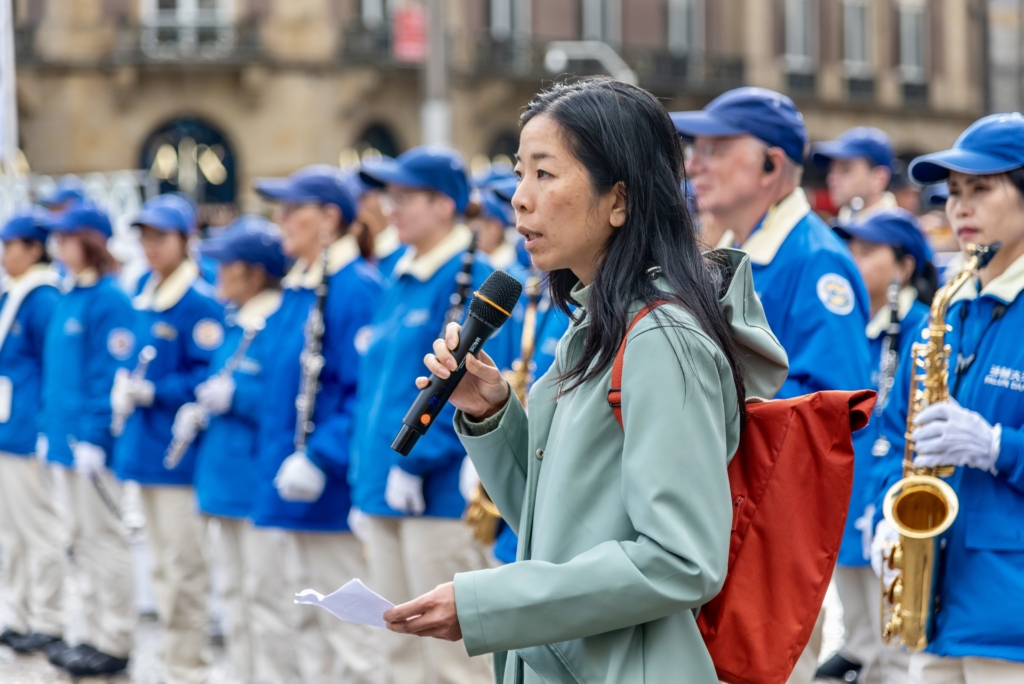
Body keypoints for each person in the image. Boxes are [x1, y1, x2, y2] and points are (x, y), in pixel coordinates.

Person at [381, 77, 788, 684]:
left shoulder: (660, 339)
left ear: (619, 200)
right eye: (519, 172)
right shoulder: (597, 324)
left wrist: (484, 603)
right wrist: (492, 416)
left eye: (545, 174)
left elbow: (681, 559)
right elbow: (557, 524)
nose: (519, 198)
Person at [671, 86, 871, 683]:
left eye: (715, 148)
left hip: (765, 523)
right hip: (723, 507)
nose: (693, 163)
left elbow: (834, 408)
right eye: (695, 148)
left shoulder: (814, 259)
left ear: (771, 165)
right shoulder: (731, 248)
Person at [870, 112, 1024, 684]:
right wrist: (892, 504)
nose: (959, 207)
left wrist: (996, 445)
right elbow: (894, 428)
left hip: (1011, 621)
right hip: (936, 608)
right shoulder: (948, 308)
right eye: (954, 192)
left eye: (981, 189)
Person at [350, 146, 501, 684]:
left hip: (434, 495)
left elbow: (471, 390)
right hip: (382, 486)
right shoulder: (400, 273)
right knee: (396, 645)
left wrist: (416, 463)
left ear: (443, 204)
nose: (390, 207)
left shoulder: (473, 278)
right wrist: (362, 476)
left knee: (454, 660)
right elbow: (375, 389)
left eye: (404, 196)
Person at [250, 165, 383, 684]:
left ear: (330, 218)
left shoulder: (355, 289)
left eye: (292, 209)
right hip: (291, 487)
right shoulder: (300, 287)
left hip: (327, 492)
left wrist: (320, 455)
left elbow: (363, 396)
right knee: (305, 624)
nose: (280, 220)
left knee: (349, 635)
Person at [171, 216, 296, 684]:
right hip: (221, 479)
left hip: (253, 484)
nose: (216, 272)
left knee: (266, 599)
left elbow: (284, 401)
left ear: (254, 272)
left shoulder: (276, 321)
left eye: (226, 264)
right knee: (232, 596)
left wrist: (237, 399)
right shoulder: (234, 322)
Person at [111, 193, 224, 684]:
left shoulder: (198, 300)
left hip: (179, 457)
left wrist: (153, 390)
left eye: (160, 236)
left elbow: (208, 375)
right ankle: (175, 663)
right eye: (144, 236)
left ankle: (188, 667)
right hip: (144, 449)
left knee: (184, 570)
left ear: (186, 240)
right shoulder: (144, 288)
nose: (149, 246)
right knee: (160, 567)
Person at [820, 209, 935, 684]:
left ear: (904, 267)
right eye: (851, 249)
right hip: (846, 508)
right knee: (861, 641)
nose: (853, 260)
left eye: (868, 252)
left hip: (888, 512)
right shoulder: (852, 324)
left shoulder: (924, 330)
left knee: (896, 654)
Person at [40, 202, 136, 677]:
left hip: (91, 445)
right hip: (64, 441)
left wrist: (96, 434)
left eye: (66, 236)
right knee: (79, 537)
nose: (58, 245)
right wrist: (50, 431)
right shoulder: (70, 294)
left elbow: (108, 376)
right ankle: (93, 631)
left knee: (104, 540)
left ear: (92, 241)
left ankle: (114, 637)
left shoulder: (108, 298)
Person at [0, 208, 65, 657]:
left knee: (39, 530)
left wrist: (44, 428)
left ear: (33, 249)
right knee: (10, 533)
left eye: (10, 245)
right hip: (8, 429)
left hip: (27, 433)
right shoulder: (14, 295)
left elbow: (54, 371)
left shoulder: (43, 298)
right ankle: (18, 612)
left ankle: (48, 617)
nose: (4, 254)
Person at [811, 127, 899, 223]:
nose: (831, 178)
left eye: (845, 170)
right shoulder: (844, 220)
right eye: (832, 170)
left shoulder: (895, 233)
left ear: (878, 179)